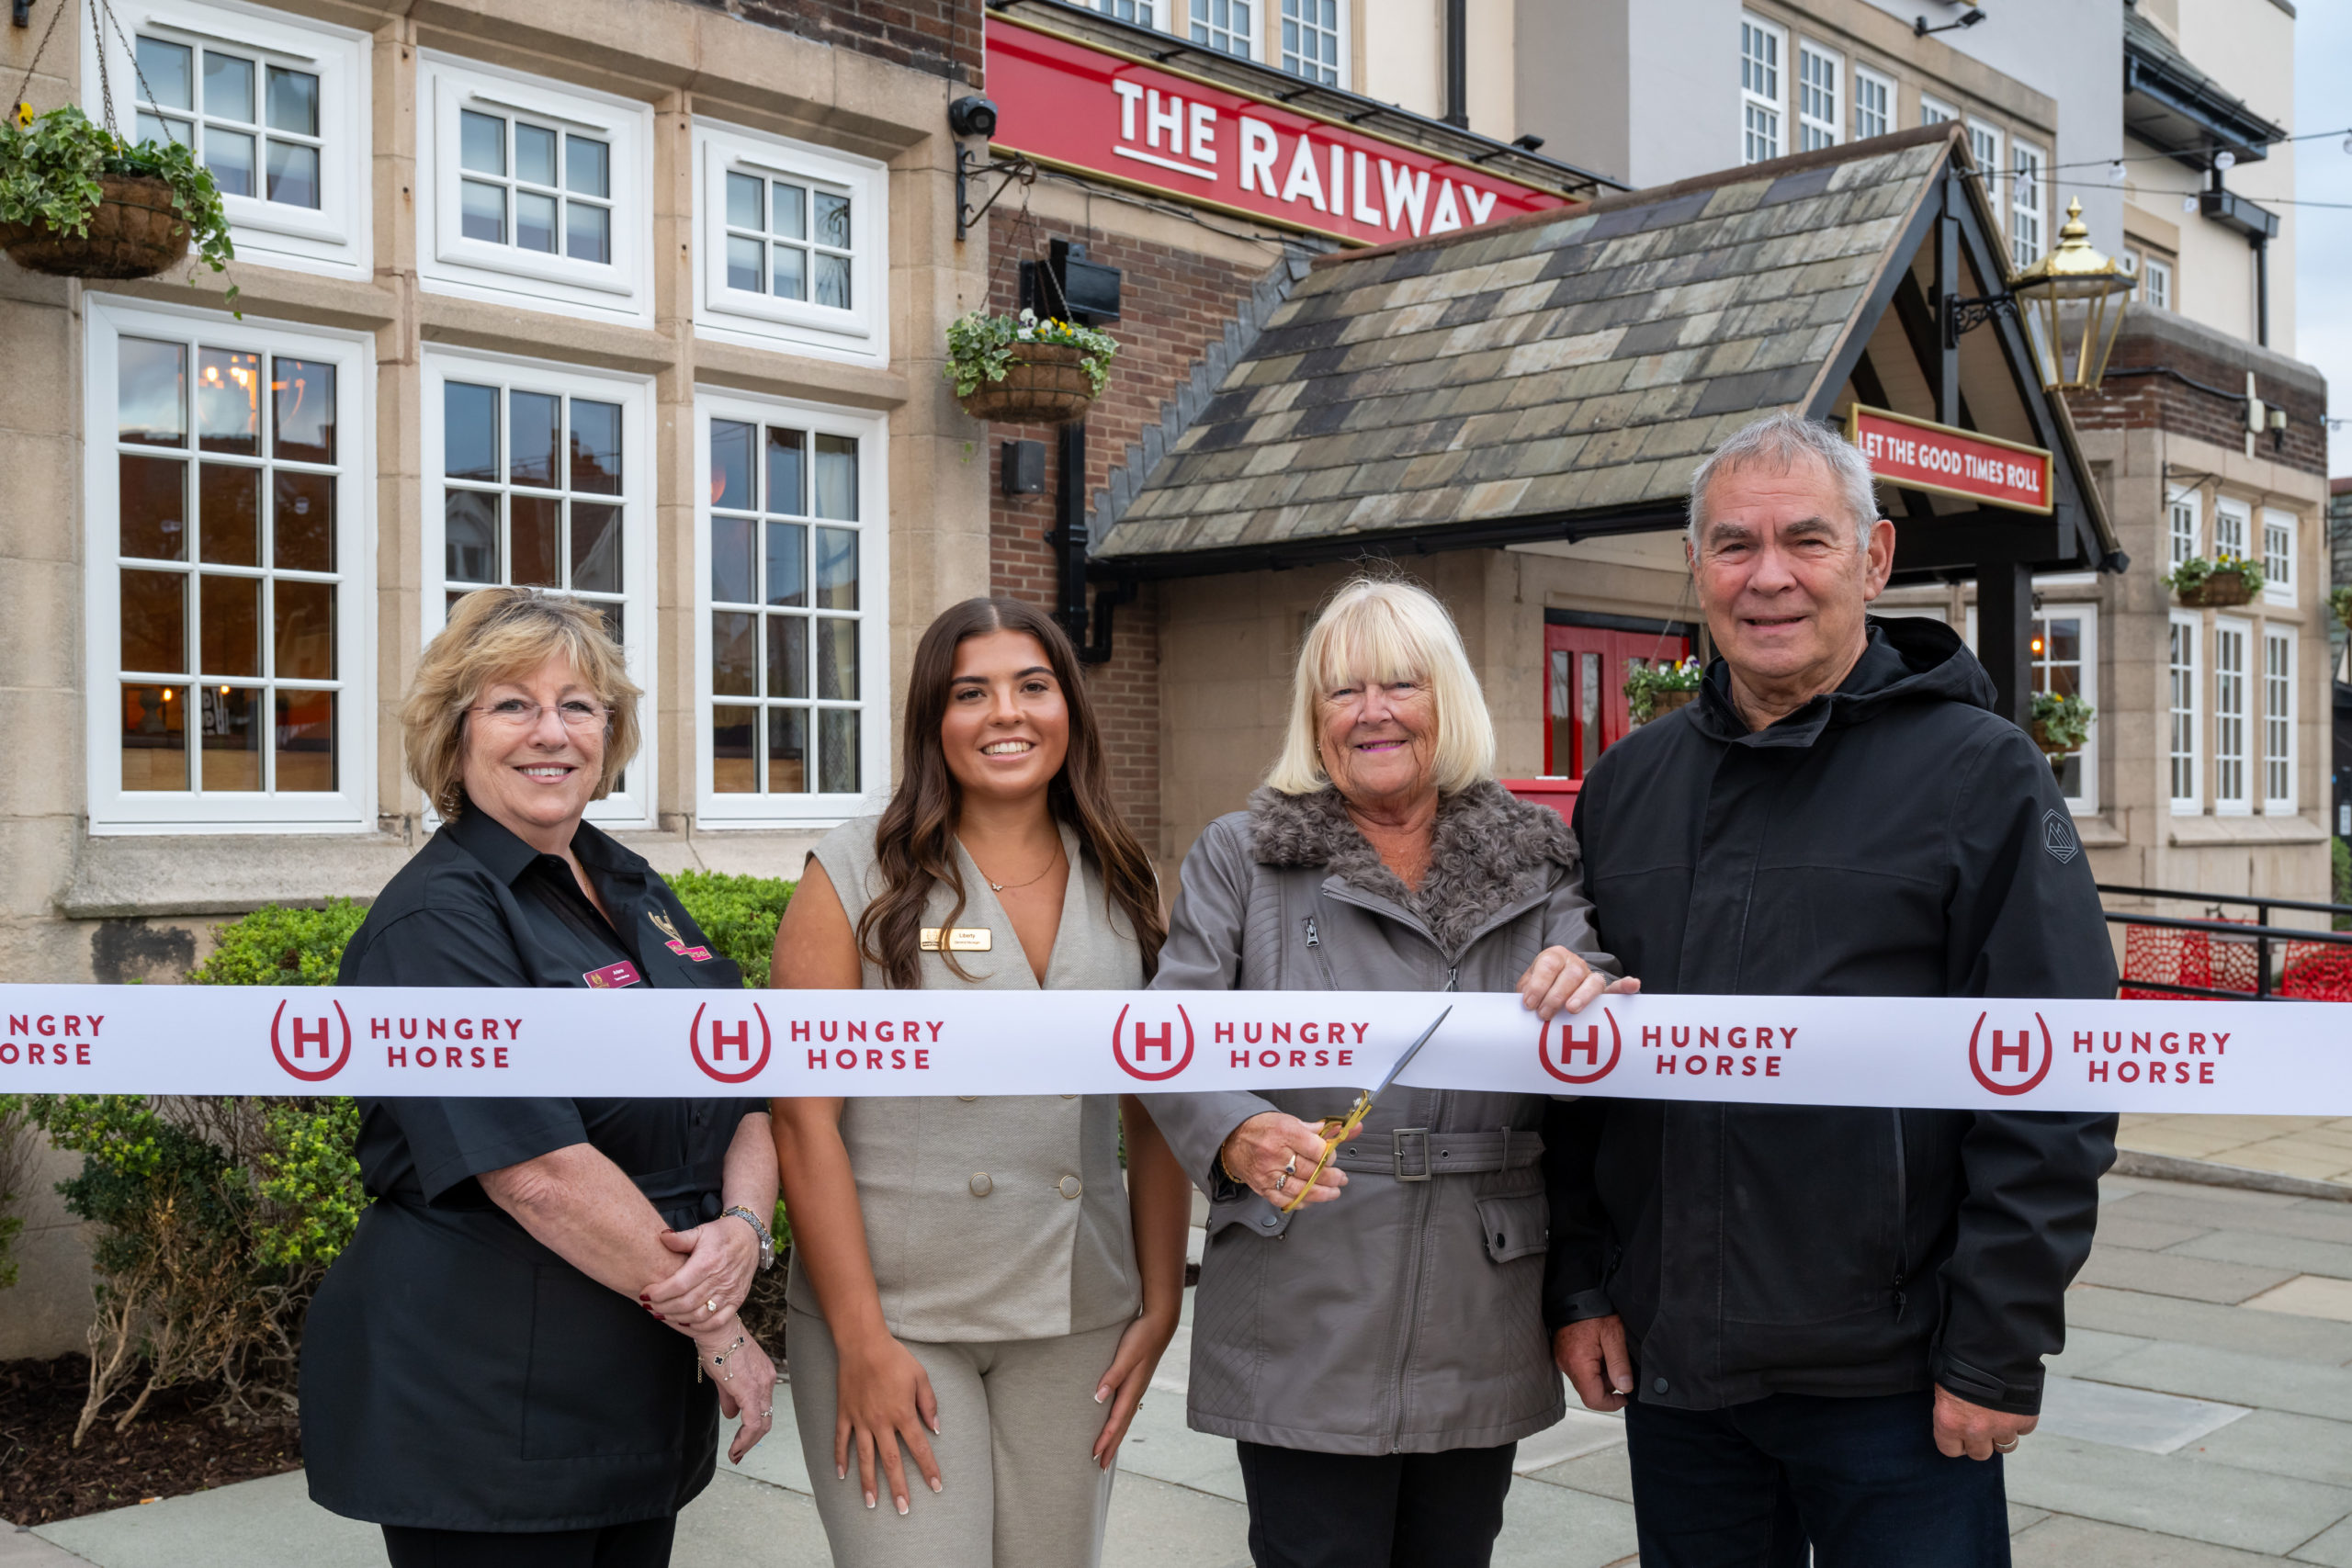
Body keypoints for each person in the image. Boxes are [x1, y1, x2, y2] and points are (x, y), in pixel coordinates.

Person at [1544, 411, 2118, 1568]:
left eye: (1805, 541)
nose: (1767, 579)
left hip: (1894, 1384)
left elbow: (2054, 1075)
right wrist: (1580, 1284)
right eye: (1732, 545)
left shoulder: (1981, 773)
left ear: (1874, 557)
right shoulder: (1626, 784)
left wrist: (1998, 1347)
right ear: (1694, 567)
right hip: (1681, 1378)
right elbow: (1573, 1069)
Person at [1145, 578, 1632, 1568]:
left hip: (1478, 1295)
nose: (1371, 712)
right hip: (1304, 1284)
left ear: (1444, 699)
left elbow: (1597, 982)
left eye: (1400, 684)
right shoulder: (1240, 857)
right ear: (1311, 718)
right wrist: (1233, 1131)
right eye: (1341, 690)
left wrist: (1588, 978)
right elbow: (1171, 1034)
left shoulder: (1533, 859)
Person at [303, 588, 779, 1568]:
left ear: (611, 732)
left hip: (633, 1397)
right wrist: (720, 1326)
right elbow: (535, 1170)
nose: (549, 732)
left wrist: (745, 1227)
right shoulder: (435, 924)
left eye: (579, 705)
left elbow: (742, 1086)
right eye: (511, 703)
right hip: (488, 1416)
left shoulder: (636, 890)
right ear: (454, 734)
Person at [767, 596, 1193, 1568]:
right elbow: (801, 1119)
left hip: (1077, 1312)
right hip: (896, 1317)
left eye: (1032, 686)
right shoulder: (854, 870)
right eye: (971, 693)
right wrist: (860, 1342)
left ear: (1070, 708)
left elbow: (1156, 1106)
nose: (1006, 713)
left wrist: (1161, 1300)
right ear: (932, 720)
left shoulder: (1127, 876)